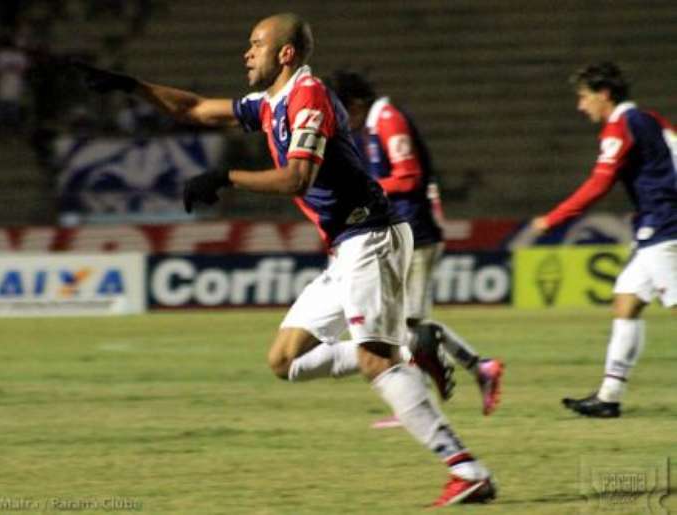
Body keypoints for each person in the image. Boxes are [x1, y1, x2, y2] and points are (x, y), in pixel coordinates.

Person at [73, 13, 496, 506]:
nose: (246, 53)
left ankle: (466, 470)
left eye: (256, 44)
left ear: (286, 53)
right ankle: (408, 349)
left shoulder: (308, 97)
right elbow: (195, 109)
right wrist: (130, 85)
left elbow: (298, 178)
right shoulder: (271, 102)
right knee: (284, 360)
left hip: (371, 236)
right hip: (347, 247)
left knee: (371, 360)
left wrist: (224, 177)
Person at [317, 71, 504, 428]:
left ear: (353, 104)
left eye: (339, 110)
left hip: (415, 235)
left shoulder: (388, 120)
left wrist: (364, 188)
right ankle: (478, 369)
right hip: (398, 237)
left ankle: (456, 381)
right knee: (406, 325)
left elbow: (409, 176)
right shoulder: (370, 127)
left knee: (405, 327)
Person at [531, 62, 677, 418]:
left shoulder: (620, 125)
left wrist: (554, 218)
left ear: (604, 95)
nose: (581, 106)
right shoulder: (651, 119)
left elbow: (599, 183)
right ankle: (609, 396)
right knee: (626, 300)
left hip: (665, 225)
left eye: (584, 97)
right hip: (655, 222)